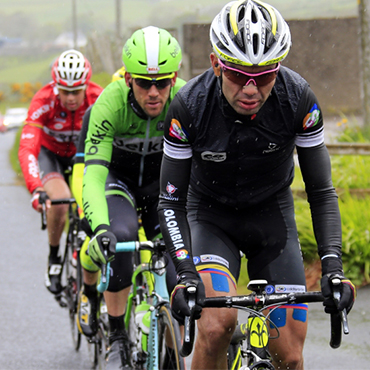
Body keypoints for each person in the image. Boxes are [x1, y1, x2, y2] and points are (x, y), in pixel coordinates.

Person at [157, 1, 356, 370]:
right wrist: (185, 274)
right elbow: (171, 202)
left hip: (271, 219)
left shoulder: (298, 99)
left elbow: (321, 192)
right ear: (217, 64)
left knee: (290, 355)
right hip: (211, 218)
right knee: (217, 327)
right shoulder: (189, 105)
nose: (251, 89)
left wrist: (333, 267)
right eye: (237, 74)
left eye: (264, 76)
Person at [78, 26, 186, 369]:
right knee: (120, 237)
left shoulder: (186, 101)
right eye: (143, 83)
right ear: (128, 79)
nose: (153, 92)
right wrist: (99, 226)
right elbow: (93, 174)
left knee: (177, 265)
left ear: (174, 78)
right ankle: (117, 337)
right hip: (117, 182)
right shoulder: (109, 103)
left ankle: (173, 346)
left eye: (162, 82)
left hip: (160, 190)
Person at [18, 49, 103, 295]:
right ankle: (55, 258)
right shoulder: (43, 100)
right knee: (59, 202)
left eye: (76, 91)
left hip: (84, 157)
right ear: (56, 87)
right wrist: (36, 188)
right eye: (65, 91)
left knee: (91, 201)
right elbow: (27, 148)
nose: (71, 98)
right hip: (51, 156)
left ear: (86, 86)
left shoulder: (98, 98)